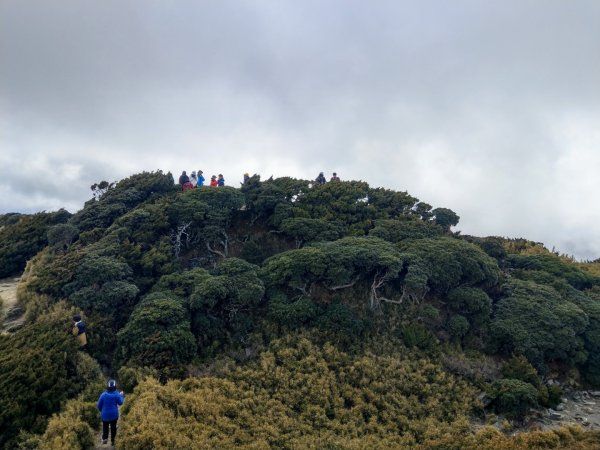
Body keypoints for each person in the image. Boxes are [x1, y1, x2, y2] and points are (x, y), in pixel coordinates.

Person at [97, 379, 124, 446]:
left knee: (105, 426)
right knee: (113, 427)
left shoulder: (103, 395)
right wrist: (121, 395)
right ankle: (113, 440)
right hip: (114, 415)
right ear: (115, 387)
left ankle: (105, 438)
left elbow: (98, 405)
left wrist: (102, 411)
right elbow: (120, 403)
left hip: (105, 415)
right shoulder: (117, 394)